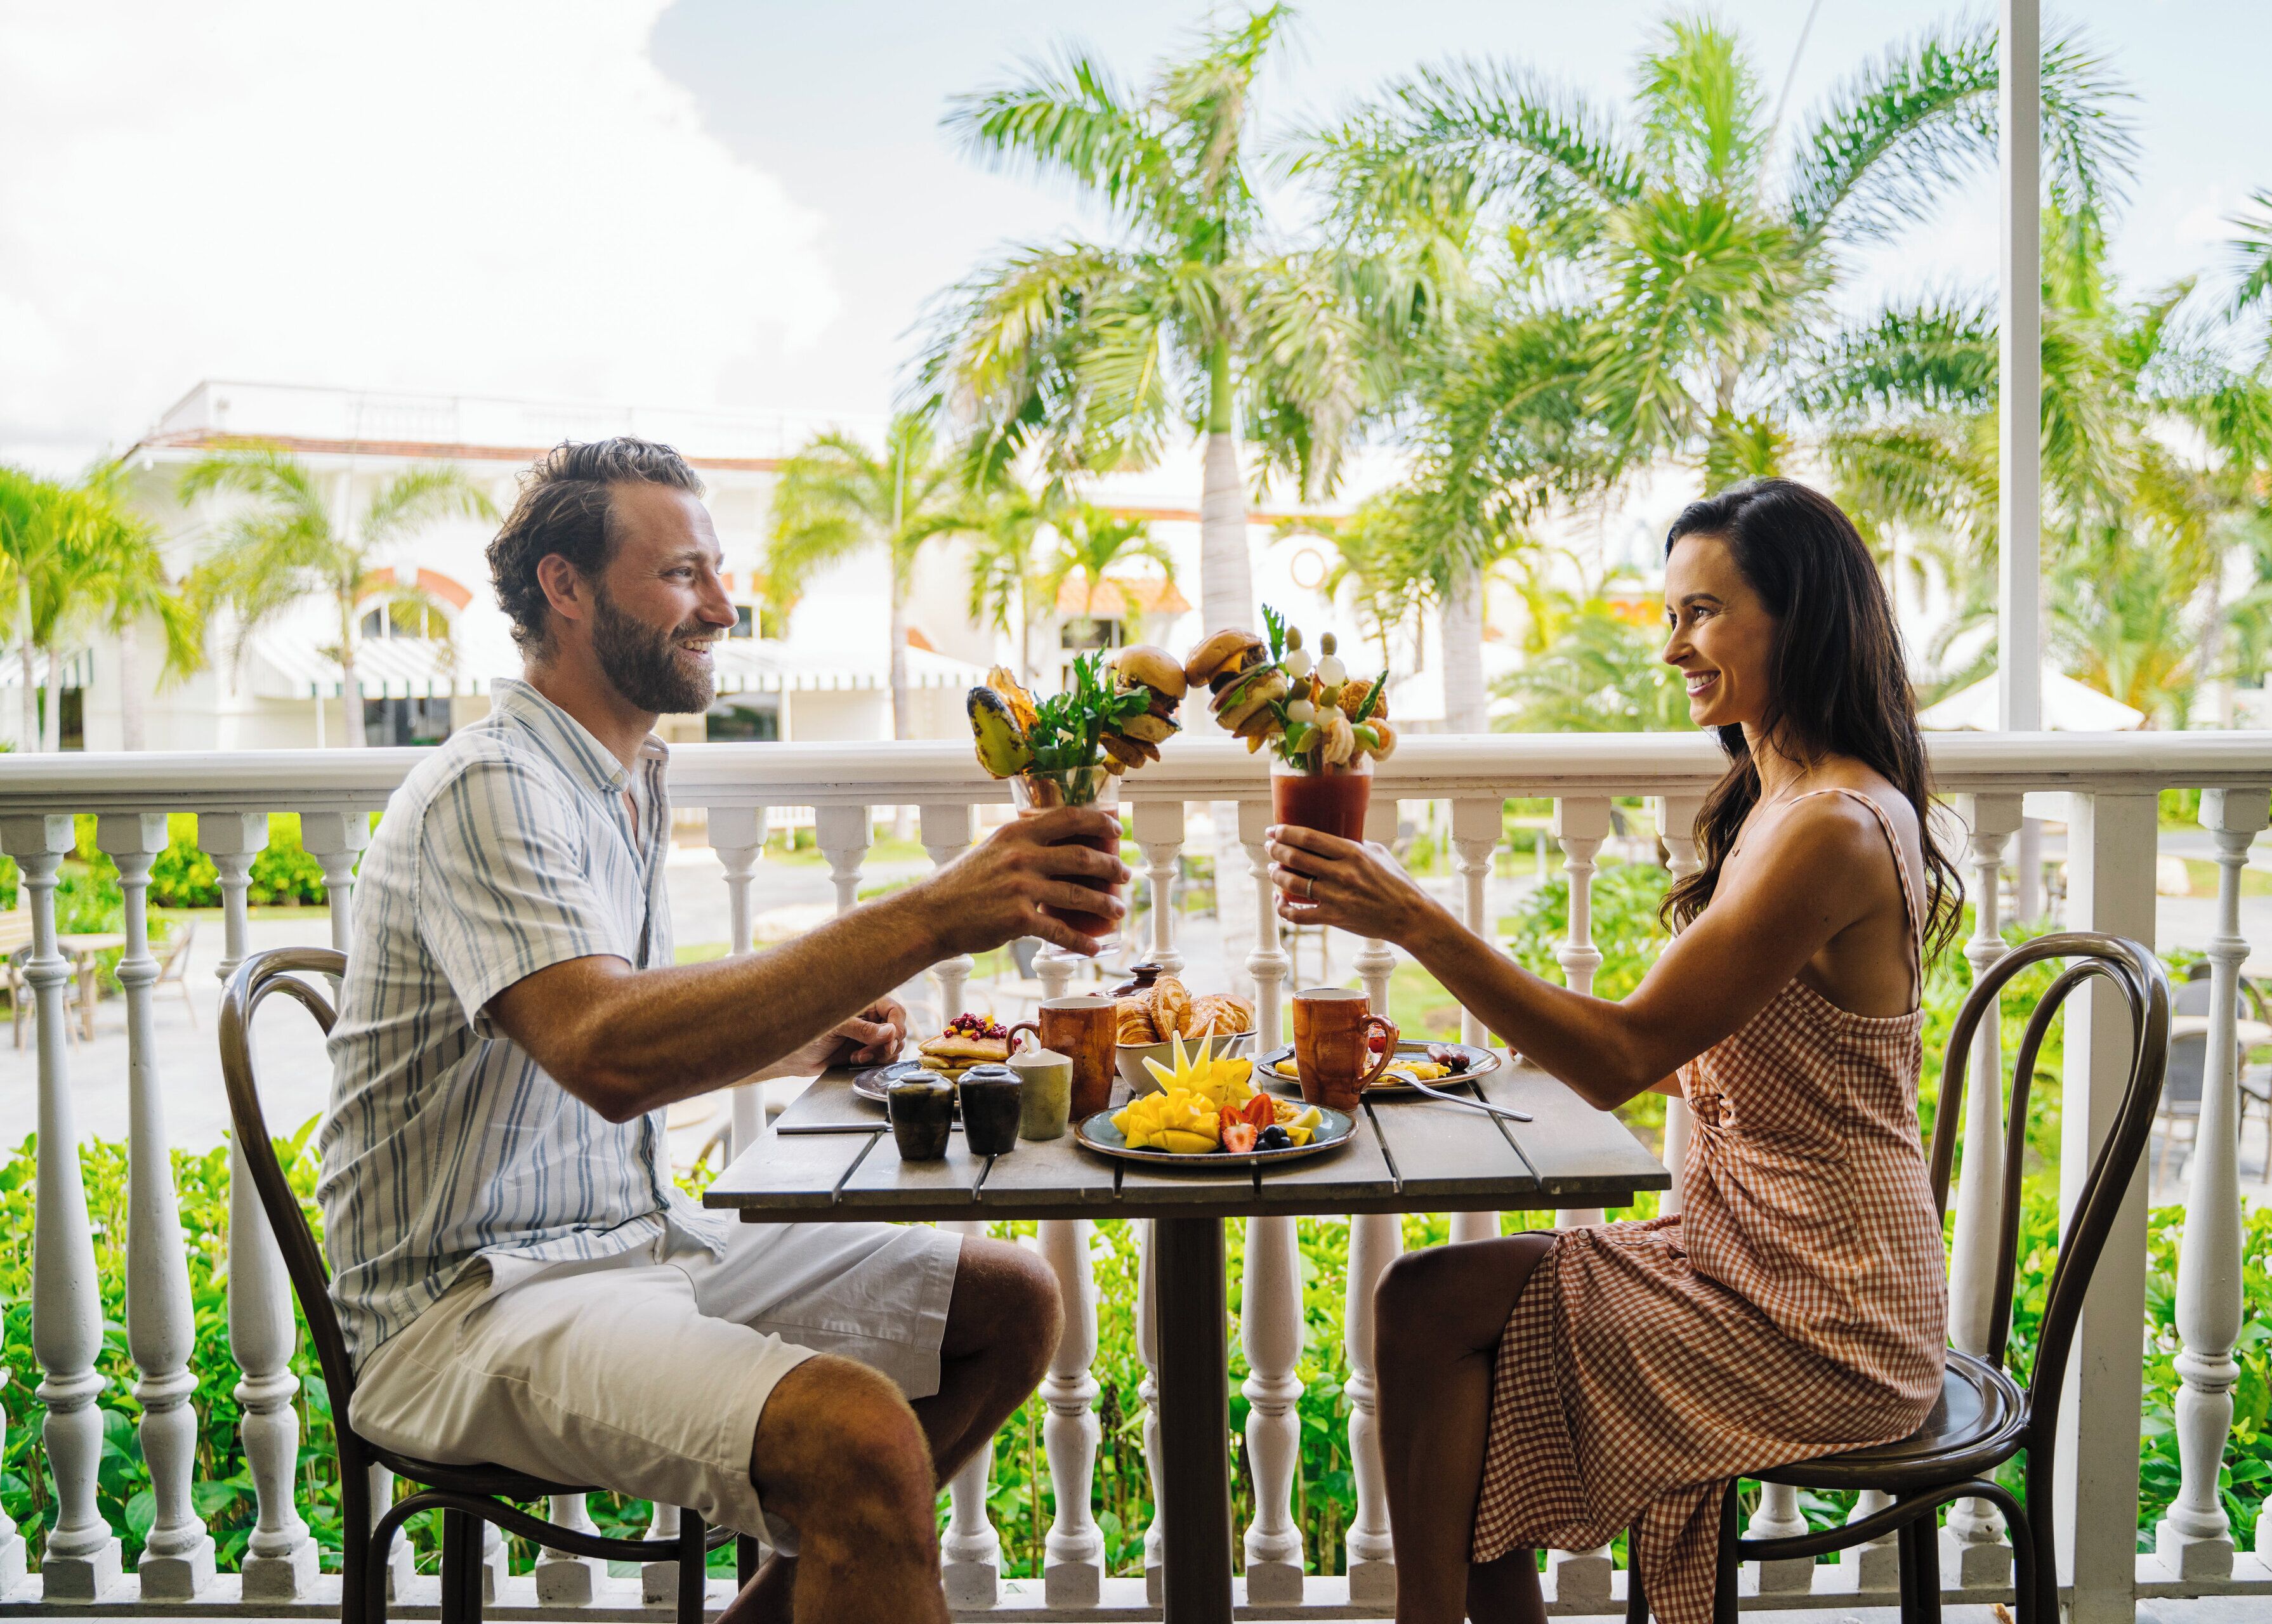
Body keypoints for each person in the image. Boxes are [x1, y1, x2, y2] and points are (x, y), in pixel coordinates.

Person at [322, 438, 1129, 1624]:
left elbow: (592, 1032)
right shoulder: (492, 788)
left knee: (1012, 1306)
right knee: (859, 1442)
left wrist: (800, 1042)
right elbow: (604, 1050)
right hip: (469, 1302)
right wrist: (938, 912)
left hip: (632, 1243)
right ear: (566, 585)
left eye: (718, 571)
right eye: (684, 573)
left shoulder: (624, 776)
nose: (723, 603)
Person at [1264, 478, 1959, 1624]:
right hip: (1744, 1257)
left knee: (1433, 1314)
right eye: (1671, 612)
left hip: (1829, 1315)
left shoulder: (1832, 828)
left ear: (1803, 621)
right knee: (1432, 1306)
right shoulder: (1775, 802)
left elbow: (1623, 1055)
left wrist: (1414, 918)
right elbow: (1660, 1047)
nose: (1673, 645)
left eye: (1701, 613)